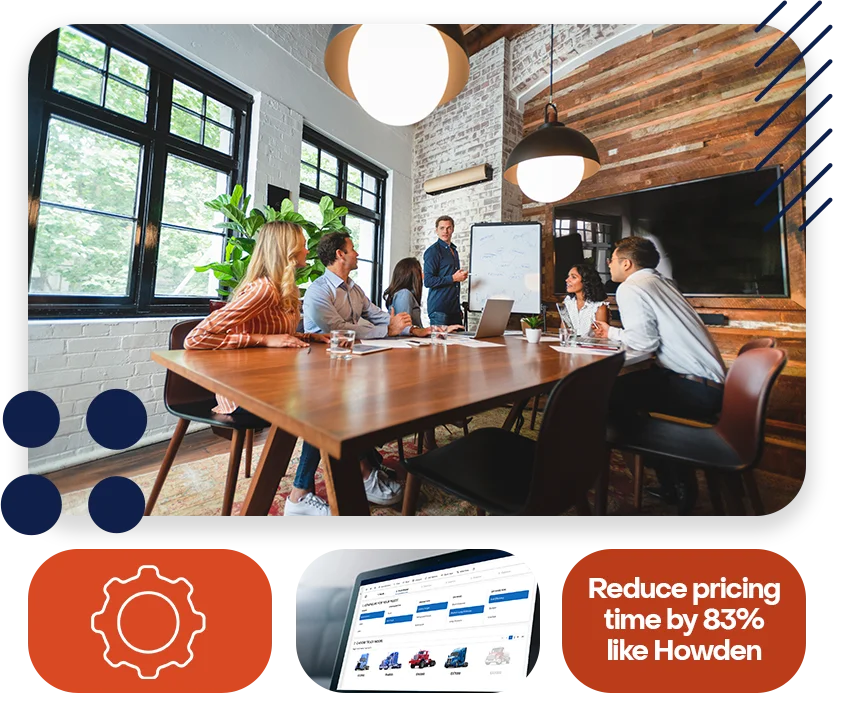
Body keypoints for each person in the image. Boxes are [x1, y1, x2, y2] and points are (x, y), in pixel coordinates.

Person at [184, 221, 340, 517]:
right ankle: (301, 496)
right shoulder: (263, 290)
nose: (307, 250)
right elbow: (196, 338)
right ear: (287, 249)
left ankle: (361, 471)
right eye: (302, 244)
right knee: (325, 407)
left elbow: (278, 334)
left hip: (270, 384)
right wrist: (263, 339)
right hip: (243, 393)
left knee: (332, 397)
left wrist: (308, 336)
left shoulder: (283, 288)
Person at [590, 236, 726, 515]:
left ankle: (675, 469)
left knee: (600, 396)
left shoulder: (631, 287)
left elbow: (643, 344)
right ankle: (670, 474)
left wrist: (604, 352)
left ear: (626, 264)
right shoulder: (662, 283)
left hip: (694, 389)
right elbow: (650, 336)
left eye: (612, 259)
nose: (608, 264)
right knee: (621, 395)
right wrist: (613, 333)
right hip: (707, 384)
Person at [298, 232, 415, 514]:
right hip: (320, 367)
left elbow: (377, 315)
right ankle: (363, 469)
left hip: (352, 361)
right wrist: (387, 330)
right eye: (353, 249)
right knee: (336, 409)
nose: (357, 253)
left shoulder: (355, 289)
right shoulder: (317, 291)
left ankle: (367, 464)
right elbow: (337, 329)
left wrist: (408, 327)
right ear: (340, 254)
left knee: (382, 394)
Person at [382, 257, 463, 335]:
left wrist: (442, 330)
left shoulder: (405, 294)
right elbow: (404, 329)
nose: (423, 276)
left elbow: (418, 331)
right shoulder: (404, 294)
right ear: (412, 275)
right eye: (420, 272)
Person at [423, 215, 467, 327]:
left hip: (454, 310)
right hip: (439, 311)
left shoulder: (454, 250)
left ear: (453, 229)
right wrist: (453, 278)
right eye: (442, 228)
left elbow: (453, 283)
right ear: (436, 230)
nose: (445, 231)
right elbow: (428, 281)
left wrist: (458, 309)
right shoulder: (432, 251)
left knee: (459, 339)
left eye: (448, 228)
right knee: (440, 340)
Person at [559, 262, 610, 336]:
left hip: (590, 343)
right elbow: (564, 332)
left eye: (573, 277)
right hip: (571, 343)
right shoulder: (567, 302)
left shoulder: (599, 307)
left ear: (586, 281)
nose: (567, 280)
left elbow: (601, 337)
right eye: (568, 276)